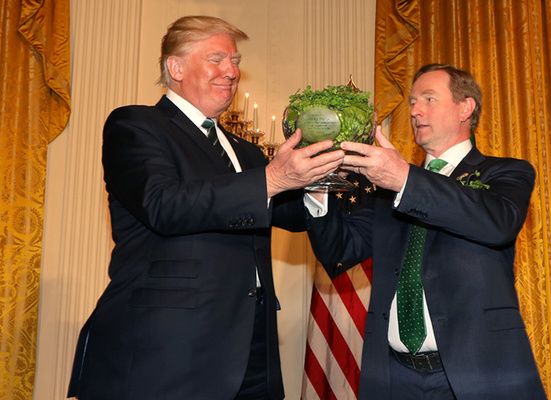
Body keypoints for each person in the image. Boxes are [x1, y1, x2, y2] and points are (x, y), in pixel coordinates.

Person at [67, 15, 344, 400]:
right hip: (168, 350)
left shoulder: (245, 151)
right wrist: (274, 178)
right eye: (217, 59)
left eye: (235, 61)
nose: (231, 72)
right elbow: (163, 205)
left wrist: (317, 177)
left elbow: (290, 214)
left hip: (253, 349)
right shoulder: (136, 125)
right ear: (175, 67)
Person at [305, 64, 546, 399]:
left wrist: (404, 178)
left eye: (429, 99)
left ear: (466, 107)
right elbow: (338, 250)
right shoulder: (388, 188)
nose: (415, 111)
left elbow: (497, 223)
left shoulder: (506, 172)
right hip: (393, 376)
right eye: (413, 102)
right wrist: (317, 181)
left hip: (477, 372)